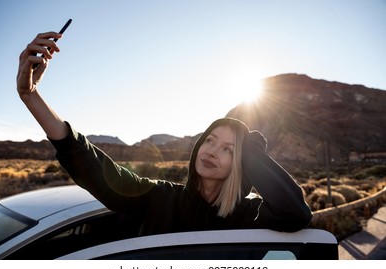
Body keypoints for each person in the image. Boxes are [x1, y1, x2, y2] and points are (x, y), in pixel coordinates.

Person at [17, 31, 313, 236]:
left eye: (228, 149)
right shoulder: (158, 198)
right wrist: (30, 95)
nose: (211, 150)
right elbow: (90, 163)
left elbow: (296, 213)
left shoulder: (250, 215)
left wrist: (251, 152)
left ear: (242, 164)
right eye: (209, 140)